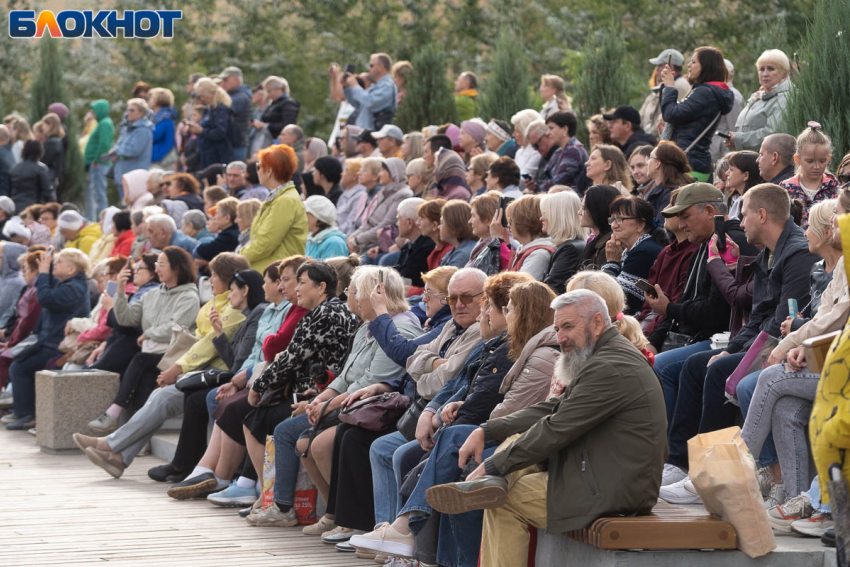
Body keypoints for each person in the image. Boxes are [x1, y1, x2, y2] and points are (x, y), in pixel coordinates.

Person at [423, 288, 666, 567]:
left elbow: (556, 427)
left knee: (504, 501)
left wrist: (494, 465)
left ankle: (487, 483)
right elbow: (552, 408)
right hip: (600, 473)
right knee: (512, 453)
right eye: (557, 328)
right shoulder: (604, 355)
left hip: (615, 488)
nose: (560, 337)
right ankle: (488, 484)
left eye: (568, 327)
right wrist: (487, 430)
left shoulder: (610, 366)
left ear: (598, 323)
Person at [349, 276, 559, 562]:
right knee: (433, 454)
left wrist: (456, 411)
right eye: (451, 298)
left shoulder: (536, 353)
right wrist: (438, 407)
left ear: (525, 314)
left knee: (456, 458)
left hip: (520, 447)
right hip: (491, 433)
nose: (483, 312)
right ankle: (409, 542)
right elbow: (426, 367)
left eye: (503, 308)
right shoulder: (495, 342)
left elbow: (504, 410)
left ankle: (409, 536)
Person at [660, 183, 818, 497]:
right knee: (702, 364)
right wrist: (732, 349)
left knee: (722, 372)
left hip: (789, 345)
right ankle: (683, 463)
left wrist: (740, 357)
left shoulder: (797, 254)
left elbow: (780, 323)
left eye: (744, 215)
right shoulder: (768, 255)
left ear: (762, 215)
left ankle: (711, 476)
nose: (740, 223)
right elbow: (758, 314)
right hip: (770, 340)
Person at [735, 198, 846, 507]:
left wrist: (787, 345)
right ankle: (797, 501)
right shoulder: (839, 269)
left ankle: (738, 465)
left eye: (814, 224)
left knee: (770, 378)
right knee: (785, 407)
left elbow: (833, 320)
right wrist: (800, 347)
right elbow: (825, 316)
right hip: (833, 362)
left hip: (843, 370)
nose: (806, 230)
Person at [84, 246, 200, 431]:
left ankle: (114, 411)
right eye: (157, 264)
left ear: (177, 268)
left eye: (162, 264)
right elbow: (126, 318)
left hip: (174, 355)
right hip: (152, 353)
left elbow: (177, 327)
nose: (158, 269)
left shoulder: (189, 296)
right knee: (145, 378)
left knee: (140, 360)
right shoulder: (152, 294)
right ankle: (138, 434)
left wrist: (149, 333)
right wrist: (120, 291)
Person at [6, 248, 91, 430]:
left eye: (59, 262)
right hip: (49, 340)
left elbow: (45, 298)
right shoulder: (68, 283)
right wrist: (46, 266)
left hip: (58, 345)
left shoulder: (75, 288)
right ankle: (24, 411)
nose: (55, 265)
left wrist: (43, 273)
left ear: (72, 269)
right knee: (19, 363)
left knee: (20, 368)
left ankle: (28, 414)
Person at [659, 46, 735, 180]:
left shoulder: (705, 93)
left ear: (705, 66)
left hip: (689, 164)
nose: (688, 65)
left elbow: (671, 114)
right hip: (695, 162)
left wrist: (670, 88)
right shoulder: (708, 91)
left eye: (693, 62)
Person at [240, 144, 308, 271]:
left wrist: (238, 259)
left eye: (258, 166)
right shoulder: (279, 197)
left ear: (269, 171)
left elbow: (264, 243)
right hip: (270, 272)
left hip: (276, 276)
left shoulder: (286, 200)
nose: (257, 171)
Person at [601, 196, 664, 313]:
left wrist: (612, 263)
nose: (614, 225)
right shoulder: (634, 250)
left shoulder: (643, 253)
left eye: (620, 219)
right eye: (612, 220)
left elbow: (612, 300)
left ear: (641, 224)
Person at [727, 50, 792, 152]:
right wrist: (734, 141)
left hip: (768, 163)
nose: (765, 74)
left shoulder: (785, 98)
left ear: (784, 72)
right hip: (750, 160)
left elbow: (773, 135)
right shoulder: (758, 96)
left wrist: (740, 140)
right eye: (761, 69)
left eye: (771, 69)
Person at [348, 157, 412, 256]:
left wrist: (357, 240)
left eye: (383, 170)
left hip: (378, 244)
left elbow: (385, 225)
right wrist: (353, 237)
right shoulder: (383, 191)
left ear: (393, 173)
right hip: (367, 242)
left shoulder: (402, 194)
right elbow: (369, 222)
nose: (379, 174)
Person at [780, 123, 838, 228]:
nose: (816, 166)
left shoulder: (834, 186)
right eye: (810, 161)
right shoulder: (786, 188)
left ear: (828, 159)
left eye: (822, 161)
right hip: (797, 243)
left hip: (828, 243)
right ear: (797, 159)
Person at [541, 190, 588, 294]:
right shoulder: (571, 246)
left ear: (558, 216)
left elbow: (552, 291)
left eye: (545, 213)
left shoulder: (570, 249)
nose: (541, 218)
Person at [639, 48, 692, 135]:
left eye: (660, 66)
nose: (657, 70)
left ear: (670, 67)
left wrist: (646, 137)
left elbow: (666, 119)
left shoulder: (678, 86)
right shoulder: (674, 84)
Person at [109, 98, 154, 191]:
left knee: (133, 205)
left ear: (141, 113)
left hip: (134, 177)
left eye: (132, 110)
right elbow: (119, 144)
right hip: (123, 174)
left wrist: (117, 151)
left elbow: (133, 150)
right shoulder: (128, 128)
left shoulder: (143, 130)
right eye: (127, 110)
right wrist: (115, 152)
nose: (128, 113)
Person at [344, 53, 398, 130]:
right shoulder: (376, 86)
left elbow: (370, 102)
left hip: (374, 136)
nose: (368, 68)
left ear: (381, 67)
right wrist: (346, 87)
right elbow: (358, 104)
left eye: (371, 65)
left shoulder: (387, 86)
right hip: (364, 133)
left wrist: (355, 85)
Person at [538, 111, 588, 193]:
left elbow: (559, 182)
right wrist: (533, 185)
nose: (547, 133)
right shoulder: (559, 151)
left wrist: (536, 189)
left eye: (551, 128)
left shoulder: (573, 151)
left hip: (569, 202)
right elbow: (546, 178)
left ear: (565, 129)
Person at [189, 78, 234, 168]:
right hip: (207, 154)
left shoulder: (221, 109)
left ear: (210, 92)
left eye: (202, 96)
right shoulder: (211, 109)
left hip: (217, 156)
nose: (202, 99)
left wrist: (201, 130)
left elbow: (221, 132)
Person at [643, 141, 695, 220]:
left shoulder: (671, 194)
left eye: (650, 158)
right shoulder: (662, 190)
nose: (647, 162)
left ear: (658, 164)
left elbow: (662, 227)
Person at [82, 99, 115, 221]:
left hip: (99, 164)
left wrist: (96, 159)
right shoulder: (102, 123)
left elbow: (104, 144)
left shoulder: (105, 124)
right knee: (96, 192)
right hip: (97, 163)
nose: (92, 113)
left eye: (94, 110)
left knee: (99, 193)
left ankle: (102, 220)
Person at [579, 184, 621, 269]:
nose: (579, 212)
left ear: (596, 210)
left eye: (583, 208)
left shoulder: (610, 246)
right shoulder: (596, 241)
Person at [9, 140, 54, 212]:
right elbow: (47, 192)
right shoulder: (41, 169)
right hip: (34, 210)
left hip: (15, 208)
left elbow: (9, 190)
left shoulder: (14, 168)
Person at [219, 67, 253, 161]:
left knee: (233, 173)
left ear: (236, 79)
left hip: (236, 145)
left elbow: (223, 109)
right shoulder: (235, 95)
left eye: (226, 80)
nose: (223, 83)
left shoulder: (240, 96)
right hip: (233, 144)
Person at [195, 197, 241, 263]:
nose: (215, 217)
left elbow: (203, 251)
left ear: (227, 218)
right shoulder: (233, 232)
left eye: (217, 213)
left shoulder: (228, 236)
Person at [255, 76, 300, 141]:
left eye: (269, 92)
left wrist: (266, 126)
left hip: (279, 140)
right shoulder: (274, 103)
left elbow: (287, 125)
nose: (268, 95)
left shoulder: (288, 104)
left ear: (279, 89)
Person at [303, 195, 347, 260]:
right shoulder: (313, 239)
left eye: (305, 213)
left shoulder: (334, 243)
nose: (301, 216)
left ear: (315, 216)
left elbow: (333, 269)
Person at [725, 150, 764, 219]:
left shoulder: (754, 202)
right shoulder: (734, 198)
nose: (727, 173)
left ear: (746, 175)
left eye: (731, 169)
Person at [148, 88, 178, 168]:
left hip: (160, 159)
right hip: (156, 157)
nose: (149, 101)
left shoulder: (165, 118)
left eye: (152, 98)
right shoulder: (156, 117)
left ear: (159, 100)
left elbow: (153, 135)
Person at [336, 158, 367, 235]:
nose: (342, 173)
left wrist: (332, 233)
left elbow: (350, 223)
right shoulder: (346, 192)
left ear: (355, 176)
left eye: (346, 171)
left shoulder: (360, 196)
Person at [40, 113, 65, 197]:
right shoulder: (56, 140)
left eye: (44, 124)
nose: (42, 128)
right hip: (53, 176)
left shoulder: (52, 142)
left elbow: (45, 160)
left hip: (50, 176)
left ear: (50, 125)